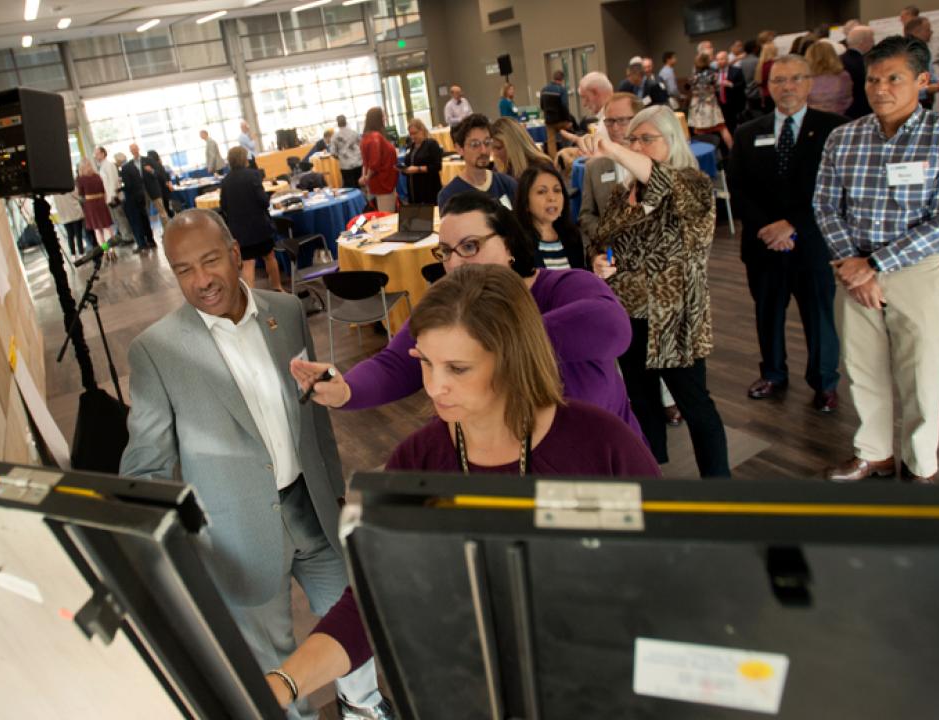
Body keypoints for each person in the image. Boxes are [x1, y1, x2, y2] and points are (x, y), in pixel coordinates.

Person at [267, 264, 659, 710]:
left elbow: (671, 573)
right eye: (426, 364)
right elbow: (374, 599)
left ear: (513, 356)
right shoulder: (415, 463)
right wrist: (284, 683)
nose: (434, 387)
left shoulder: (602, 445)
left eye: (458, 368)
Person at [120, 209, 388, 720]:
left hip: (311, 508)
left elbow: (316, 418)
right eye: (183, 270)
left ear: (236, 254)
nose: (201, 281)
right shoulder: (155, 351)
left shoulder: (285, 313)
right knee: (272, 661)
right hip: (235, 539)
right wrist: (170, 545)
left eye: (210, 261)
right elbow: (146, 466)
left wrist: (333, 489)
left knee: (351, 625)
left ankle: (365, 707)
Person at [291, 190, 643, 440]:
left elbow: (612, 327)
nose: (455, 263)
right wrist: (345, 389)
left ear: (508, 245)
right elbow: (395, 363)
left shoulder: (564, 287)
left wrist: (484, 345)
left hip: (610, 475)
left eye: (471, 246)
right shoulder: (449, 309)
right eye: (445, 252)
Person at [814, 35, 939, 483]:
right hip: (852, 270)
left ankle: (919, 466)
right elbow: (826, 206)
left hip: (918, 272)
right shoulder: (844, 138)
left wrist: (876, 266)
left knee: (922, 377)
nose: (881, 88)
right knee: (862, 370)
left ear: (922, 81)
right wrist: (854, 263)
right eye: (873, 79)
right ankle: (875, 454)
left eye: (895, 78)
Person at [584, 106, 731, 477]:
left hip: (674, 317)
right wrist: (600, 260)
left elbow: (664, 183)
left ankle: (720, 488)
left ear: (671, 141)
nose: (637, 145)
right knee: (643, 403)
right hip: (629, 316)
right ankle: (652, 478)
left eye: (646, 139)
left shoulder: (692, 185)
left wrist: (614, 149)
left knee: (695, 406)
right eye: (633, 139)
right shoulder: (623, 194)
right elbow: (603, 240)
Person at [730, 54, 847, 414]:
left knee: (819, 316)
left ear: (810, 83)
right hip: (763, 245)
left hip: (812, 243)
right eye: (779, 80)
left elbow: (834, 189)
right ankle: (773, 373)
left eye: (796, 78)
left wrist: (792, 224)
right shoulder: (748, 132)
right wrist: (769, 228)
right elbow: (739, 188)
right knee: (768, 313)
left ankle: (825, 382)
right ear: (768, 88)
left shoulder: (834, 130)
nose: (788, 87)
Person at [579, 93, 643, 244]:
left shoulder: (654, 162)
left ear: (639, 120)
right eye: (609, 121)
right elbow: (586, 215)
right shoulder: (594, 166)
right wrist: (607, 236)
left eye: (621, 121)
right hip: (611, 255)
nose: (614, 127)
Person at [219, 146, 285, 292]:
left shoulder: (225, 181)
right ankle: (277, 288)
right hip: (259, 227)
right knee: (269, 257)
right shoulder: (253, 175)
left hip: (239, 231)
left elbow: (223, 206)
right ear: (244, 159)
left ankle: (252, 298)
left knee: (248, 263)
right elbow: (263, 201)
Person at [437, 113, 519, 209]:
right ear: (459, 148)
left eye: (487, 143)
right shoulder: (450, 195)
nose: (483, 151)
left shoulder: (507, 184)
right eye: (475, 144)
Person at [516, 164, 583, 270]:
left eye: (557, 190)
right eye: (541, 192)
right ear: (525, 203)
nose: (552, 198)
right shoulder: (516, 244)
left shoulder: (573, 237)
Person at [904, 17, 939, 108]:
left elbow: (930, 73)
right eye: (928, 30)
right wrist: (926, 89)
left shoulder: (924, 49)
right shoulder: (907, 52)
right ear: (916, 32)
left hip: (925, 101)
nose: (931, 32)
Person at [689, 53, 735, 148]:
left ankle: (708, 154)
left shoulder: (693, 77)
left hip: (697, 107)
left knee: (700, 132)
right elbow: (720, 85)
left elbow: (689, 88)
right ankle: (733, 152)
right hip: (710, 105)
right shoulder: (713, 74)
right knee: (722, 128)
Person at [359, 106, 398, 212]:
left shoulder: (366, 137)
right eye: (383, 116)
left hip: (376, 183)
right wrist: (367, 177)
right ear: (378, 118)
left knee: (380, 213)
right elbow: (374, 163)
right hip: (383, 183)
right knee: (387, 216)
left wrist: (365, 177)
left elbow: (366, 162)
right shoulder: (376, 137)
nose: (385, 119)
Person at [115, 151, 156, 252]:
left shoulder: (124, 169)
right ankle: (150, 240)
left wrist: (120, 188)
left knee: (135, 222)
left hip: (131, 199)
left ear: (118, 161)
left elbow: (127, 185)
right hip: (140, 196)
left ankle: (141, 244)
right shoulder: (133, 166)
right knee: (144, 219)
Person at [401, 117, 443, 205]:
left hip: (429, 189)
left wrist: (418, 169)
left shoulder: (431, 144)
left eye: (415, 133)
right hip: (413, 191)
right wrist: (403, 169)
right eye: (410, 134)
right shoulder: (410, 146)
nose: (412, 136)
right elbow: (407, 164)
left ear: (422, 130)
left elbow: (437, 166)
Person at [804, 42, 853, 114]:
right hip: (839, 117)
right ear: (833, 55)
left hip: (811, 117)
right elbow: (848, 99)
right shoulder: (843, 76)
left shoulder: (804, 79)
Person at [74, 158, 113, 249]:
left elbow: (81, 194)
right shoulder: (97, 176)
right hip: (101, 203)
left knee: (97, 230)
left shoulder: (80, 179)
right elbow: (103, 191)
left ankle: (105, 249)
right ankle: (112, 248)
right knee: (107, 227)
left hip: (90, 205)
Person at [131, 143, 168, 231]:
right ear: (130, 151)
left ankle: (167, 230)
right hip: (141, 192)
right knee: (145, 214)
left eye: (135, 148)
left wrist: (151, 170)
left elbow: (158, 174)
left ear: (138, 149)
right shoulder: (131, 164)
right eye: (132, 149)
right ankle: (150, 235)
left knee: (162, 212)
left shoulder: (148, 160)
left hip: (153, 190)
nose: (134, 151)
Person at [95, 145, 127, 243]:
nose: (96, 156)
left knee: (120, 217)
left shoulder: (109, 165)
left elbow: (113, 180)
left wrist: (113, 195)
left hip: (113, 196)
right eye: (95, 154)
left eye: (97, 154)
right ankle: (122, 235)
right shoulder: (102, 167)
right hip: (108, 197)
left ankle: (127, 236)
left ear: (103, 154)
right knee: (116, 218)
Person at [842, 25, 875, 117]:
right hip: (862, 111)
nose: (873, 43)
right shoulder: (863, 63)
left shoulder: (841, 59)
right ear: (863, 42)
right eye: (871, 39)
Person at [540, 69, 573, 157]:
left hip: (549, 121)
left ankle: (555, 161)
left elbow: (542, 106)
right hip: (561, 121)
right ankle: (567, 157)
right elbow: (564, 105)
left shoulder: (544, 89)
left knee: (551, 143)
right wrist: (568, 120)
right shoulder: (562, 90)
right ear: (562, 80)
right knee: (566, 137)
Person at [714, 50, 747, 132]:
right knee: (726, 127)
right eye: (717, 59)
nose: (719, 61)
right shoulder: (715, 73)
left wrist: (731, 85)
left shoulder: (736, 71)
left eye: (721, 59)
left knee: (737, 127)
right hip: (721, 105)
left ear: (727, 59)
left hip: (735, 104)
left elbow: (743, 85)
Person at [51, 189, 85, 256]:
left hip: (64, 216)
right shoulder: (68, 187)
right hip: (75, 213)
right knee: (78, 235)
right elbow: (77, 196)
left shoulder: (54, 191)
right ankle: (81, 253)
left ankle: (73, 254)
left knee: (70, 236)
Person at [332, 115, 363, 189]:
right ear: (346, 122)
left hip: (345, 165)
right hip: (358, 162)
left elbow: (333, 152)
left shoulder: (335, 136)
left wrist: (340, 157)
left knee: (349, 186)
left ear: (337, 123)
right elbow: (361, 145)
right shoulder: (354, 133)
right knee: (359, 184)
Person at [145, 149, 176, 220]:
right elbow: (166, 175)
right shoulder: (159, 164)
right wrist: (168, 183)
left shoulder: (153, 166)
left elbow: (162, 176)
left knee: (165, 208)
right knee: (166, 207)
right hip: (164, 188)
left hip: (160, 189)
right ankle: (173, 219)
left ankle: (172, 221)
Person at [755, 42, 779, 113]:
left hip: (766, 96)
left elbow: (759, 83)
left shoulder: (760, 66)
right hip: (776, 95)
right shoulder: (775, 64)